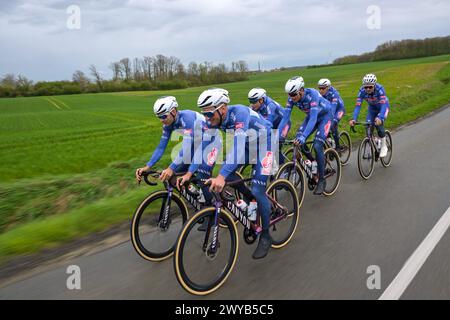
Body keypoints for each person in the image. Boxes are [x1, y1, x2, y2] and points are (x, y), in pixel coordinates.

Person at [198, 88, 275, 259]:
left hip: (266, 145)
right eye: (204, 114)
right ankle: (251, 199)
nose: (207, 118)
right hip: (249, 146)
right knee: (229, 175)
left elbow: (238, 147)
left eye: (209, 113)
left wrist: (221, 176)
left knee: (257, 188)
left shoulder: (239, 113)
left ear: (223, 108)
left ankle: (266, 235)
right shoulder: (216, 120)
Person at [135, 96, 216, 209]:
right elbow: (161, 147)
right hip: (196, 145)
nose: (161, 120)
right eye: (158, 117)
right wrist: (147, 166)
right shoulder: (168, 124)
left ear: (173, 112)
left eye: (163, 116)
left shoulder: (186, 119)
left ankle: (211, 208)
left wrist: (171, 167)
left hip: (211, 144)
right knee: (173, 177)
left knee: (202, 175)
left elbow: (187, 147)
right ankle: (196, 196)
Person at [279, 76, 333, 195]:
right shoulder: (291, 99)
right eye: (289, 95)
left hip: (325, 116)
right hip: (311, 117)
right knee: (298, 141)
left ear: (301, 90)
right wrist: (277, 135)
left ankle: (322, 180)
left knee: (317, 145)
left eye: (293, 94)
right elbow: (285, 117)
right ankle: (314, 162)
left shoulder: (312, 94)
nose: (291, 98)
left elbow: (313, 118)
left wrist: (304, 136)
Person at [349, 74, 390, 157]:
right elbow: (358, 106)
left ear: (374, 85)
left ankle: (384, 146)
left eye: (370, 87)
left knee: (378, 124)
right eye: (365, 87)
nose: (367, 89)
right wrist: (354, 119)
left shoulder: (380, 89)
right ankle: (376, 141)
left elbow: (383, 104)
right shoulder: (361, 91)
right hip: (372, 109)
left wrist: (380, 117)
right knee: (368, 126)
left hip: (383, 107)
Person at [248, 88, 291, 165]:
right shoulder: (254, 107)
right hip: (273, 125)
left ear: (261, 100)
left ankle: (282, 169)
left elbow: (269, 125)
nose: (252, 104)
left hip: (284, 124)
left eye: (254, 102)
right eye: (250, 101)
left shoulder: (270, 105)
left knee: (275, 145)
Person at [317, 79, 345, 152]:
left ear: (328, 87)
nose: (321, 90)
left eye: (323, 88)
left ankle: (338, 146)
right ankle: (329, 141)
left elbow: (333, 108)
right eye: (319, 88)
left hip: (338, 110)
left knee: (332, 124)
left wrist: (329, 120)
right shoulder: (319, 95)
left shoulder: (334, 93)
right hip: (329, 110)